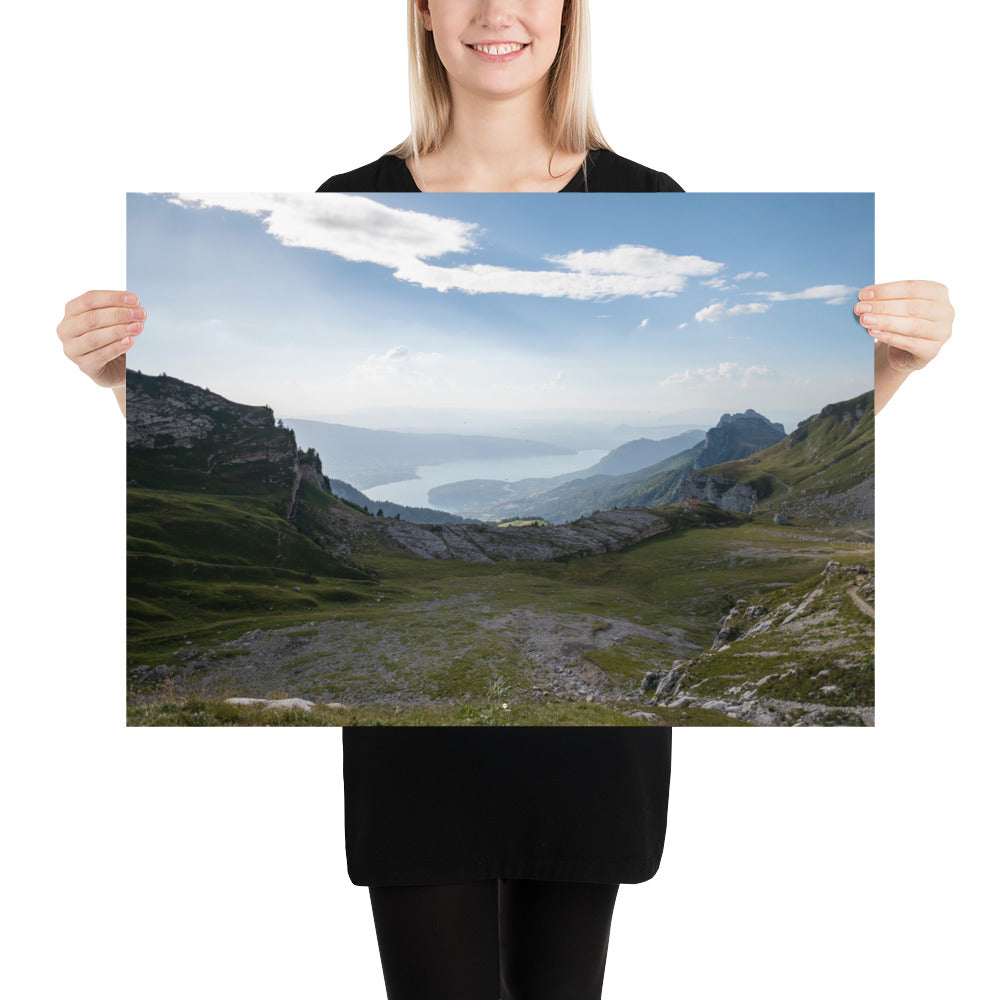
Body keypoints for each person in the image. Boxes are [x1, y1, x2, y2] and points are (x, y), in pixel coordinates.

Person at [55, 2, 953, 998]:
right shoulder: (344, 198)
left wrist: (891, 366)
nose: (496, 12)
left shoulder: (645, 197)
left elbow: (827, 433)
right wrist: (114, 384)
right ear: (424, 13)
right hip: (416, 766)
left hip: (589, 763)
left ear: (570, 13)